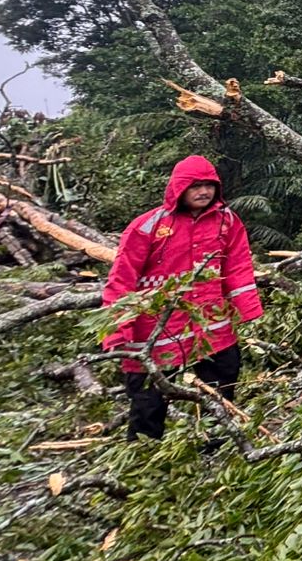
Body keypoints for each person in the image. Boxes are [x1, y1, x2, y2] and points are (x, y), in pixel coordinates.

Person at [101, 155, 262, 440]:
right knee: (149, 398)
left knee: (220, 391)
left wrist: (249, 312)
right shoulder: (148, 226)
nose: (204, 192)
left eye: (209, 185)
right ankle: (143, 456)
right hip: (155, 328)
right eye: (195, 186)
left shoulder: (227, 221)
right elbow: (122, 278)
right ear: (179, 188)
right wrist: (116, 332)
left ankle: (216, 450)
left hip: (211, 326)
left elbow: (237, 267)